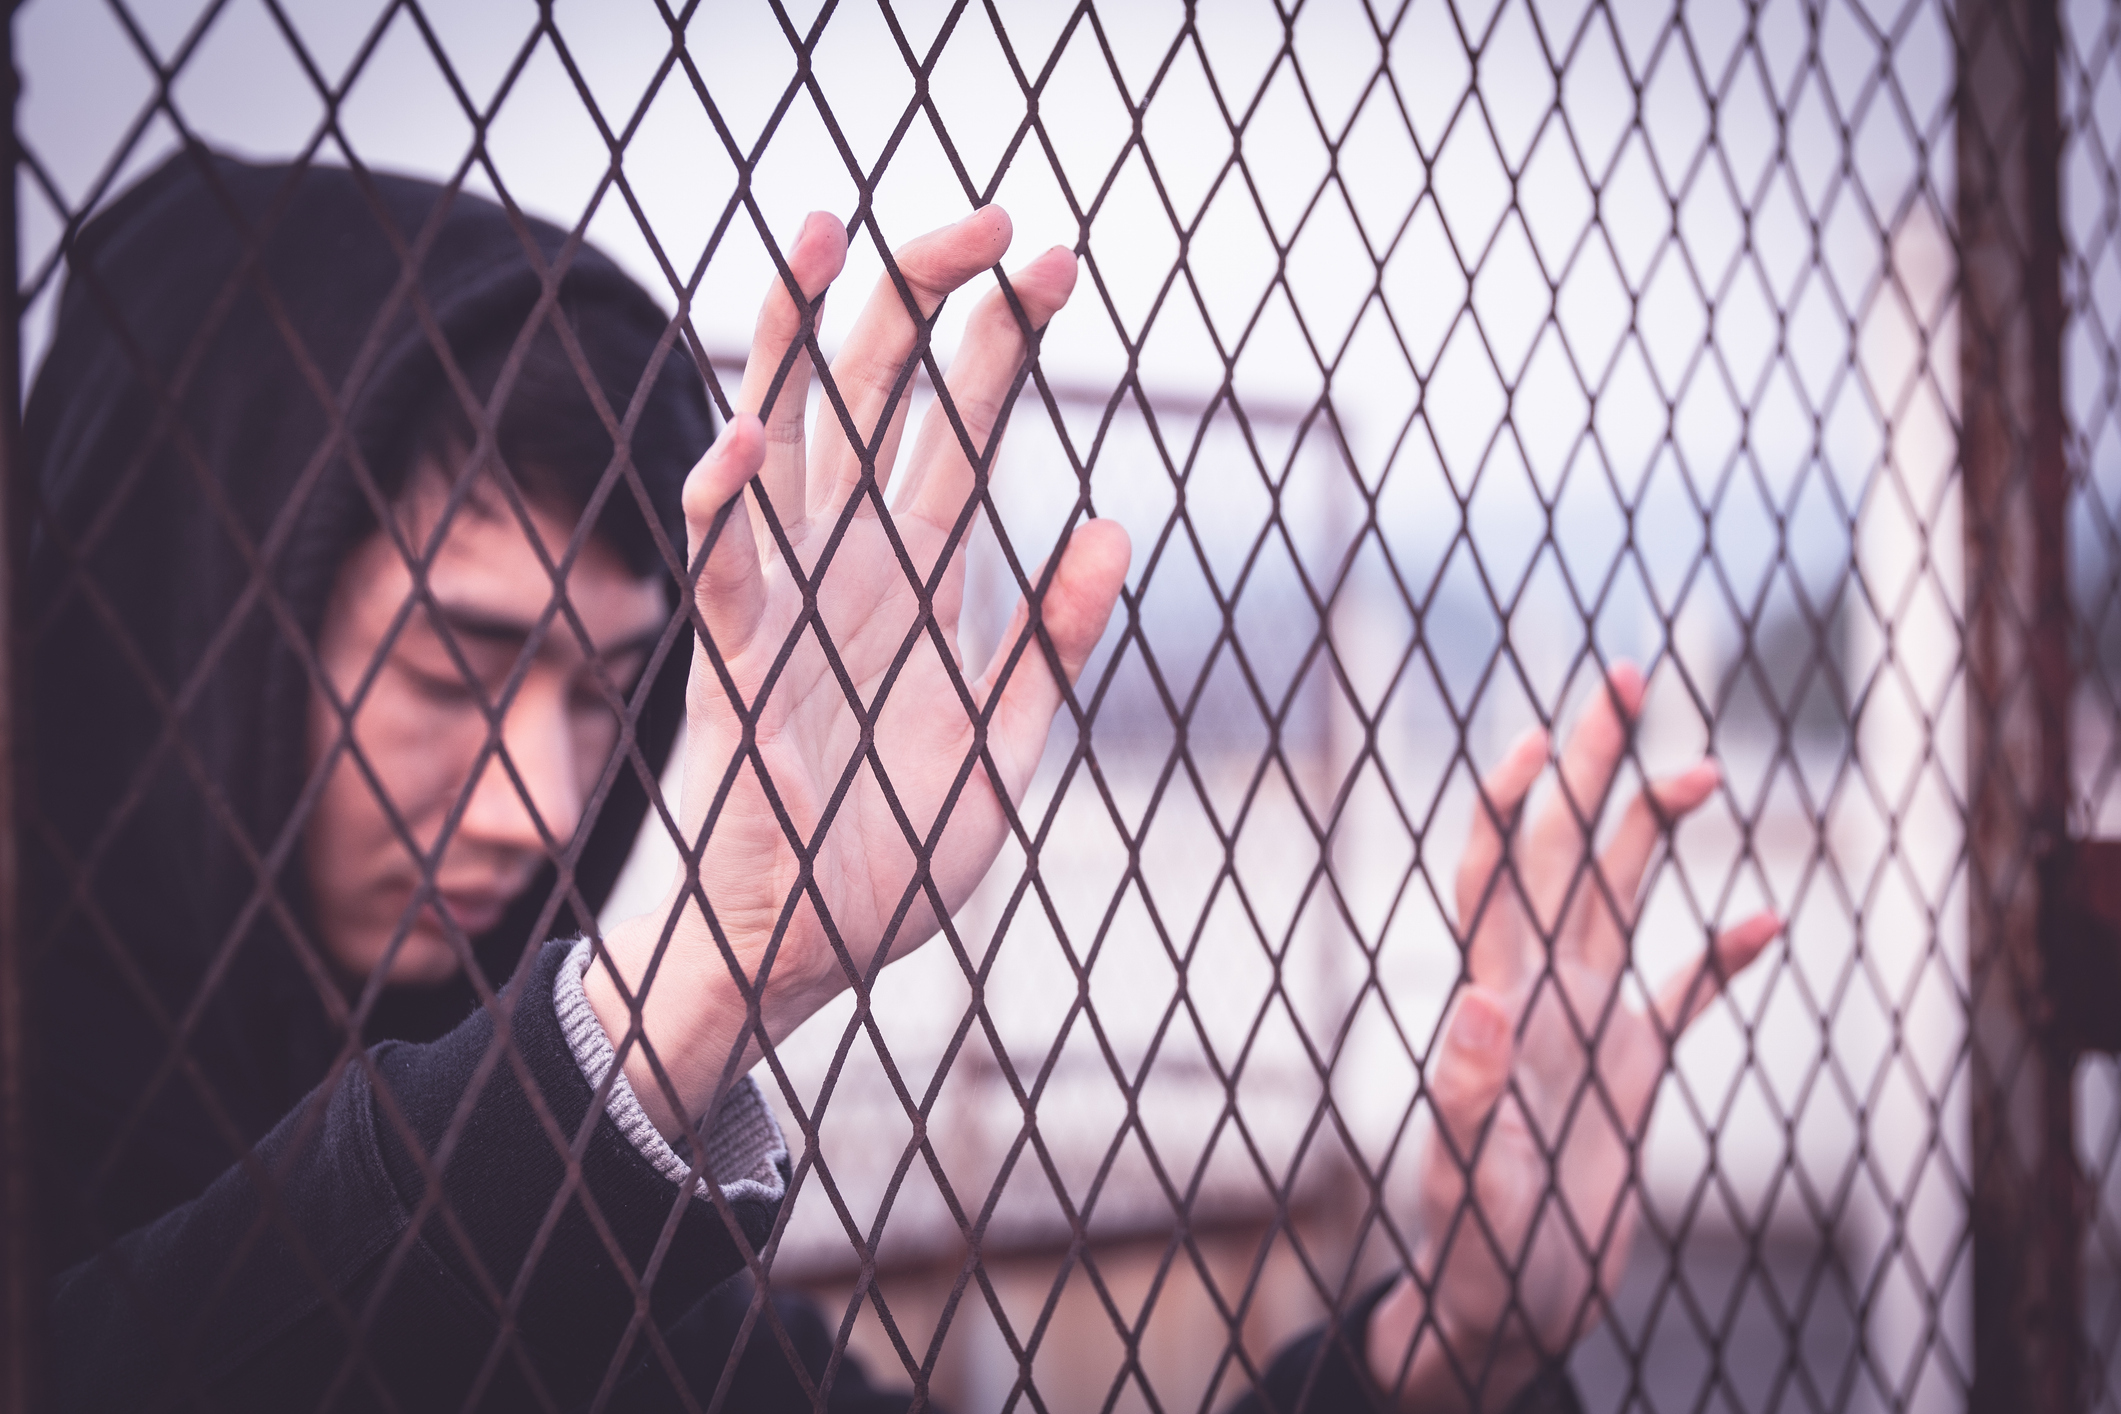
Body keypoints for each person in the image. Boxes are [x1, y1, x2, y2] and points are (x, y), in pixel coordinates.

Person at [24, 148, 1777, 1412]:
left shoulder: (620, 1287)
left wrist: (1437, 1362)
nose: (546, 807)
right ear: (172, 614)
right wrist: (679, 989)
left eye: (609, 694)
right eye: (449, 669)